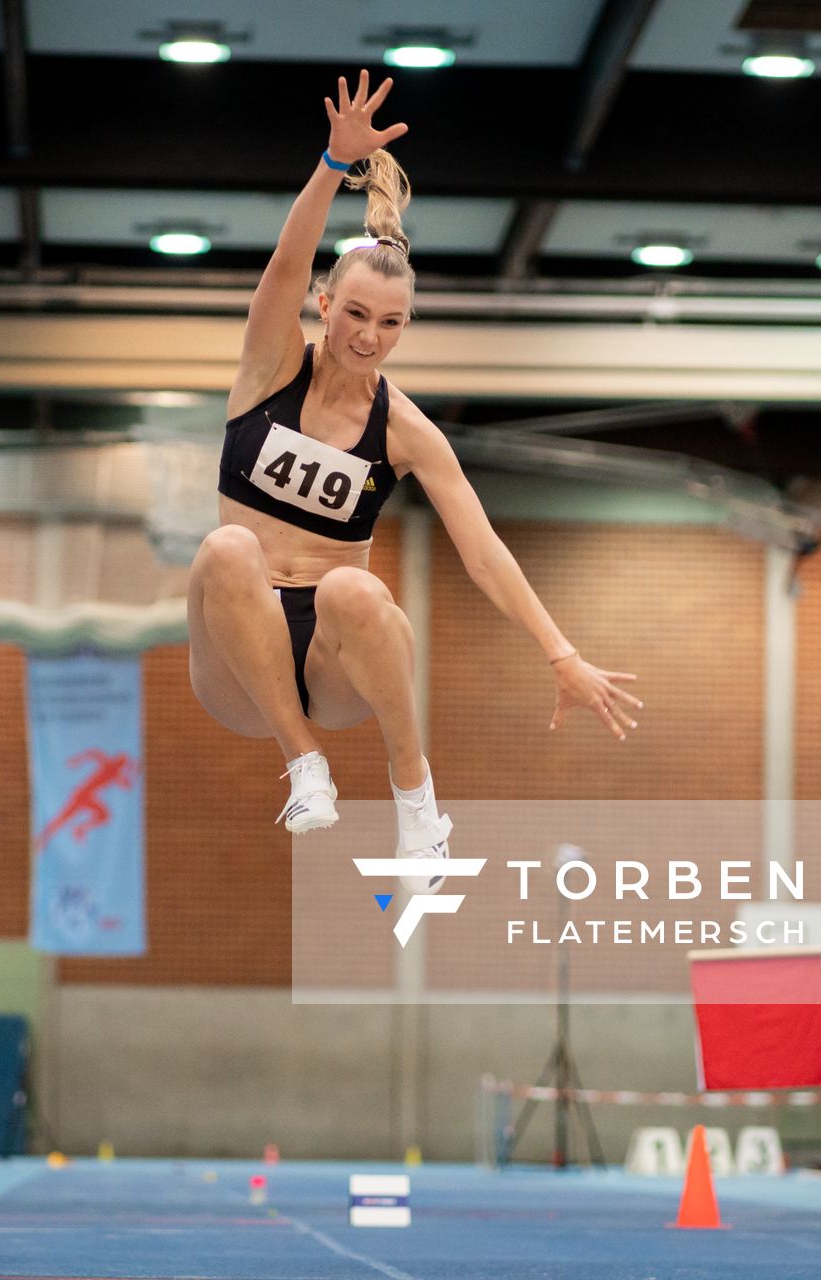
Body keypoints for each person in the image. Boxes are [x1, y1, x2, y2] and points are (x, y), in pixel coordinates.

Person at [191, 71, 639, 888]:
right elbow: (287, 261)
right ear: (325, 305)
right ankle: (305, 767)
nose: (369, 336)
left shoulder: (403, 430)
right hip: (238, 655)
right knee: (226, 547)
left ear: (406, 326)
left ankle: (417, 804)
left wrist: (560, 653)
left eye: (390, 323)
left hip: (333, 660)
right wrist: (332, 163)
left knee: (357, 591)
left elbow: (483, 552)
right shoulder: (269, 367)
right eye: (356, 314)